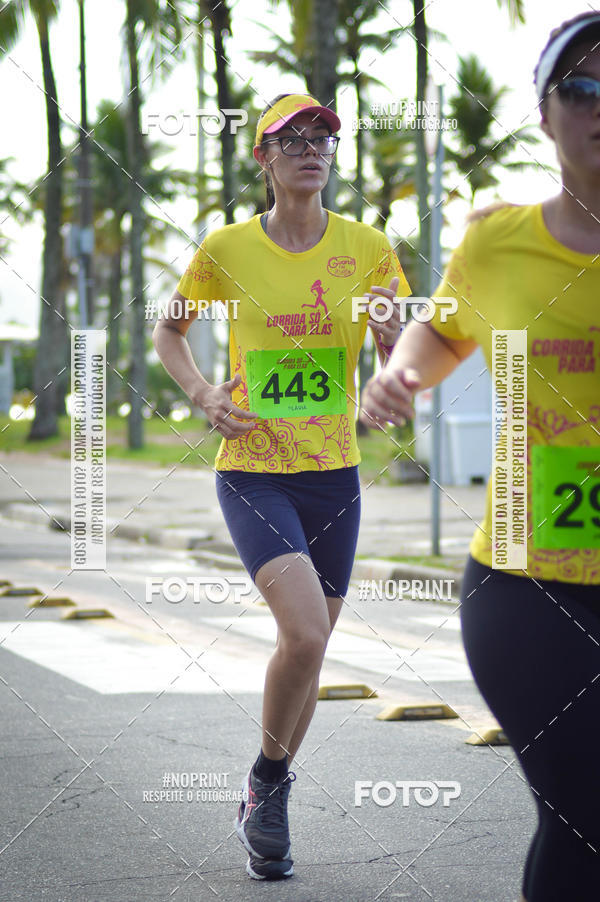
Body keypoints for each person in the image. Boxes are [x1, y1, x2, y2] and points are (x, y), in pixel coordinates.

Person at [360, 13, 600, 902]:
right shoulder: (497, 242)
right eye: (582, 87)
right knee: (584, 816)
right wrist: (400, 376)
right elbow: (444, 329)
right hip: (528, 585)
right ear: (546, 115)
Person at [153, 93, 410, 880]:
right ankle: (267, 783)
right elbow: (169, 328)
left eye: (323, 137)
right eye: (292, 139)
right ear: (263, 157)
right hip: (254, 473)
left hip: (334, 476)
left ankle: (266, 792)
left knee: (312, 648)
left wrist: (392, 362)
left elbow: (398, 348)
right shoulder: (226, 248)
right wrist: (203, 393)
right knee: (303, 635)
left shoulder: (369, 248)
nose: (311, 150)